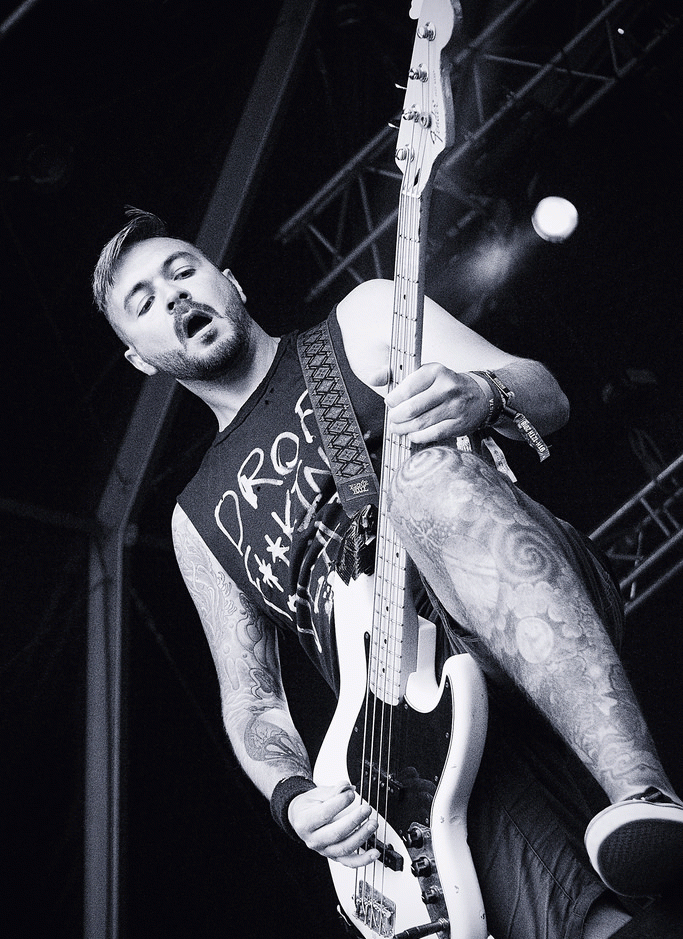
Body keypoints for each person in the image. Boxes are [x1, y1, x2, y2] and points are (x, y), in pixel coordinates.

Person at [93, 208, 683, 938]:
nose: (174, 295)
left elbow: (546, 396)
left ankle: (639, 790)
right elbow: (252, 698)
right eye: (144, 302)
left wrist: (483, 394)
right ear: (140, 359)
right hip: (407, 732)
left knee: (424, 479)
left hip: (507, 594)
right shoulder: (194, 521)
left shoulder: (367, 319)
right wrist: (295, 799)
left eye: (183, 271)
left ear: (231, 281)